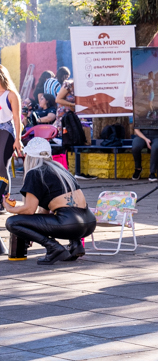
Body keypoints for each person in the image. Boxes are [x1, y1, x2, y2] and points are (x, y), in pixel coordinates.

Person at [5, 137, 96, 264]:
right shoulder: (60, 170)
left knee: (12, 222)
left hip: (70, 223)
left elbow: (29, 210)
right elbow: (44, 213)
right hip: (89, 222)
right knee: (64, 212)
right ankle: (76, 245)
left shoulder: (35, 173)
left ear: (29, 156)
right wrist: (31, 230)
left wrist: (10, 208)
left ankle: (53, 248)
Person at [0, 65, 24, 206]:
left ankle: (2, 200)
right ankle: (4, 200)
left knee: (2, 164)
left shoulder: (11, 95)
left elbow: (16, 118)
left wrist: (18, 139)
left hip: (7, 131)